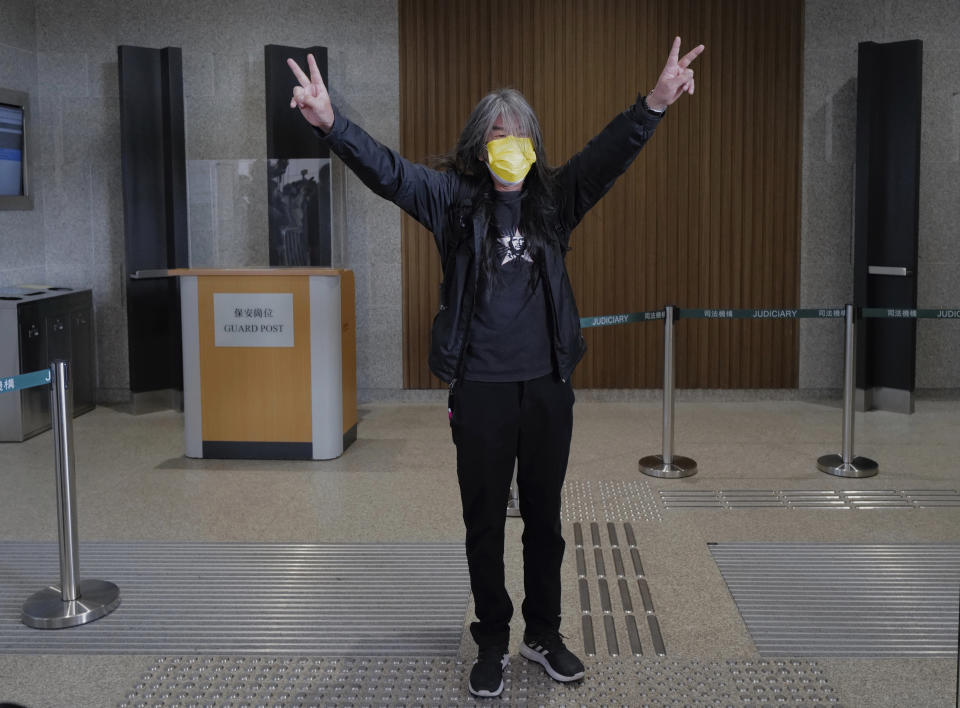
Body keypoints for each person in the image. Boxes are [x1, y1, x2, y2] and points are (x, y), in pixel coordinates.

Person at [288, 36, 704, 698]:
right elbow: (389, 171)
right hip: (479, 387)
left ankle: (543, 635)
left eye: (520, 135)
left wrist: (653, 103)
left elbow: (605, 160)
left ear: (534, 143)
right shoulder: (450, 200)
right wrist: (333, 124)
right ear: (481, 144)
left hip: (546, 386)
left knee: (545, 518)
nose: (510, 145)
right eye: (497, 135)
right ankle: (491, 639)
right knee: (484, 523)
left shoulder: (553, 199)